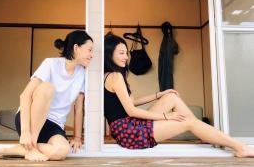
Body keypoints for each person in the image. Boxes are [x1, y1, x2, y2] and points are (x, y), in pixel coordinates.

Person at [104, 34, 254, 157]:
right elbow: (131, 111)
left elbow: (133, 102)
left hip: (128, 126)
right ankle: (240, 147)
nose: (126, 57)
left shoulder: (111, 76)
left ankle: (202, 132)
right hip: (128, 131)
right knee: (188, 121)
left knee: (171, 97)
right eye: (121, 53)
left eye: (126, 53)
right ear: (110, 54)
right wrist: (166, 116)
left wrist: (159, 94)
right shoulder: (115, 76)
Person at [0, 30, 93, 161]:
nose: (92, 55)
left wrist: (77, 138)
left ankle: (22, 149)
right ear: (76, 48)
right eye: (89, 50)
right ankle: (31, 145)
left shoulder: (83, 73)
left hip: (54, 124)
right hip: (30, 118)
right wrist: (25, 132)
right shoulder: (51, 64)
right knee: (47, 88)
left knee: (62, 151)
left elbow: (79, 108)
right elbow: (25, 96)